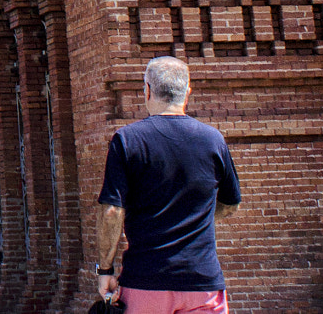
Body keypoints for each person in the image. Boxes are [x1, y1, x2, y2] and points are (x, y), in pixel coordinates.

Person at [96, 56, 243, 314]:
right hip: (201, 281)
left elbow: (112, 212)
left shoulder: (127, 140)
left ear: (148, 90)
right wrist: (196, 220)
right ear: (187, 93)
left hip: (145, 281)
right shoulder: (213, 140)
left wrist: (105, 270)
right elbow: (231, 203)